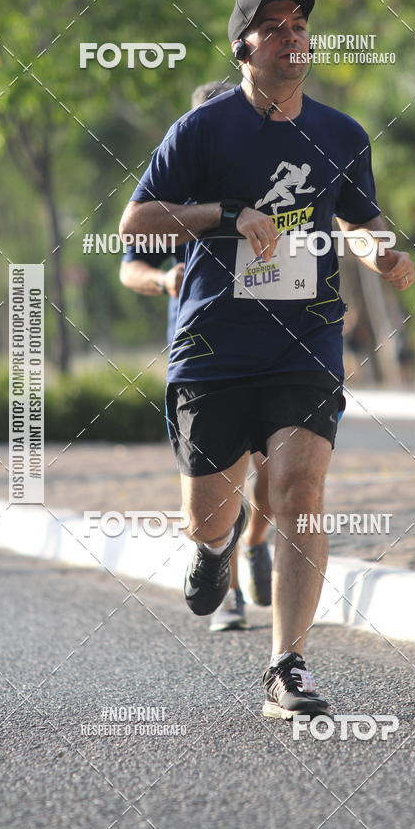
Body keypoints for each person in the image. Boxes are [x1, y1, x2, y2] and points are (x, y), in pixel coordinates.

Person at [119, 0, 415, 720]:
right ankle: (215, 549)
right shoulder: (204, 130)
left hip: (306, 337)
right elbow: (135, 228)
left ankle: (287, 666)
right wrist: (227, 214)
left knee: (299, 492)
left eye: (300, 23)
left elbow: (358, 215)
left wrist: (381, 249)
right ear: (244, 45)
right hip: (215, 344)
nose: (292, 35)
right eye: (274, 26)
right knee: (209, 514)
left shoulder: (342, 133)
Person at [119, 81, 273, 633]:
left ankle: (255, 540)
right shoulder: (174, 196)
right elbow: (128, 264)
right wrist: (164, 279)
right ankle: (226, 590)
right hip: (204, 351)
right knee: (219, 482)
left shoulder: (263, 183)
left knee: (275, 474)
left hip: (271, 345)